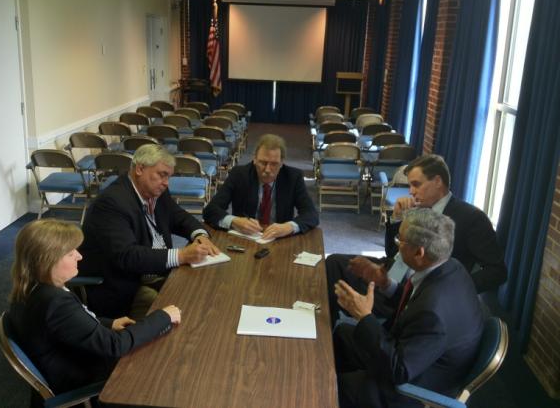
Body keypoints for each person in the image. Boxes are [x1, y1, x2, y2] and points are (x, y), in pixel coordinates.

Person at [7, 219, 181, 397]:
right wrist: (163, 316)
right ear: (47, 261)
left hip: (72, 355)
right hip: (86, 377)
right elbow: (115, 345)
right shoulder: (55, 302)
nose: (79, 256)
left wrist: (109, 323)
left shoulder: (31, 287)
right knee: (166, 361)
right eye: (70, 253)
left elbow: (68, 325)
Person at [326, 154, 506, 324]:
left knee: (338, 282)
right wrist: (396, 218)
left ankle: (332, 332)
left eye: (416, 184)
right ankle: (327, 325)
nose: (411, 191)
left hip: (415, 291)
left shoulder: (471, 218)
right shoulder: (418, 209)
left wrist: (451, 288)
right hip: (393, 271)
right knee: (334, 263)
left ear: (437, 182)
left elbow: (497, 272)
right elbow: (393, 252)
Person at [333, 209, 484, 408]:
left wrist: (364, 316)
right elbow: (414, 306)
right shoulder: (451, 266)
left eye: (400, 240)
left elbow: (399, 370)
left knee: (334, 386)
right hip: (415, 352)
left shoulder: (433, 313)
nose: (397, 245)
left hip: (412, 388)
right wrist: (386, 283)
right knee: (342, 335)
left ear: (419, 253)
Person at [79, 144, 220, 320]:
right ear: (140, 169)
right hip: (126, 285)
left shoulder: (155, 190)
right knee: (184, 311)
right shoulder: (111, 203)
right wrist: (182, 255)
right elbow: (128, 256)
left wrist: (199, 235)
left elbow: (177, 216)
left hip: (155, 270)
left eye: (169, 176)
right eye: (162, 175)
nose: (166, 183)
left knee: (204, 290)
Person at [203, 134, 318, 239]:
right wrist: (234, 221)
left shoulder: (293, 177)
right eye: (263, 162)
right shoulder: (239, 175)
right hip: (245, 238)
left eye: (274, 164)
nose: (267, 170)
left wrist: (289, 227)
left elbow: (311, 214)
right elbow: (210, 210)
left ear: (282, 162)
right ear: (254, 159)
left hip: (280, 239)